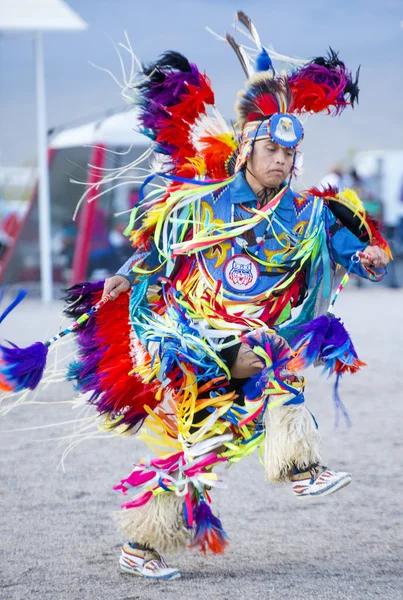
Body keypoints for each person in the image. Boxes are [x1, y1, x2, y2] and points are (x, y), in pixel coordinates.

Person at [74, 13, 391, 580]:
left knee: (206, 441)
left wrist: (367, 257)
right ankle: (300, 464)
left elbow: (354, 248)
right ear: (247, 150)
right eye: (271, 150)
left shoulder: (311, 213)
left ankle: (140, 547)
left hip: (243, 345)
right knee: (272, 352)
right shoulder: (202, 205)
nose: (281, 161)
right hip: (196, 337)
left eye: (289, 156)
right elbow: (160, 247)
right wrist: (124, 273)